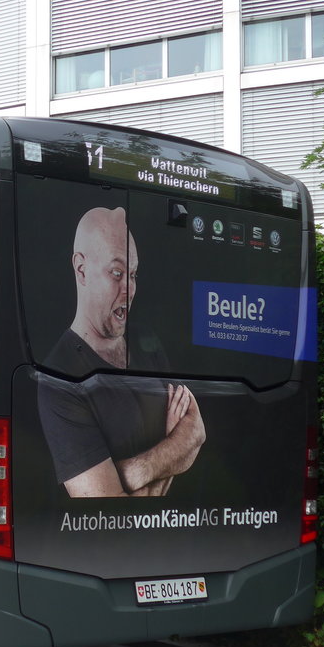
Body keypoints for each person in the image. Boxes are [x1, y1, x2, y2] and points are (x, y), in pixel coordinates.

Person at [38, 206, 205, 498]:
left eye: (133, 274)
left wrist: (129, 473)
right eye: (117, 273)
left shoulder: (146, 340)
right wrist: (170, 450)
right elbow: (106, 508)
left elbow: (195, 433)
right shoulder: (58, 378)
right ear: (81, 269)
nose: (129, 288)